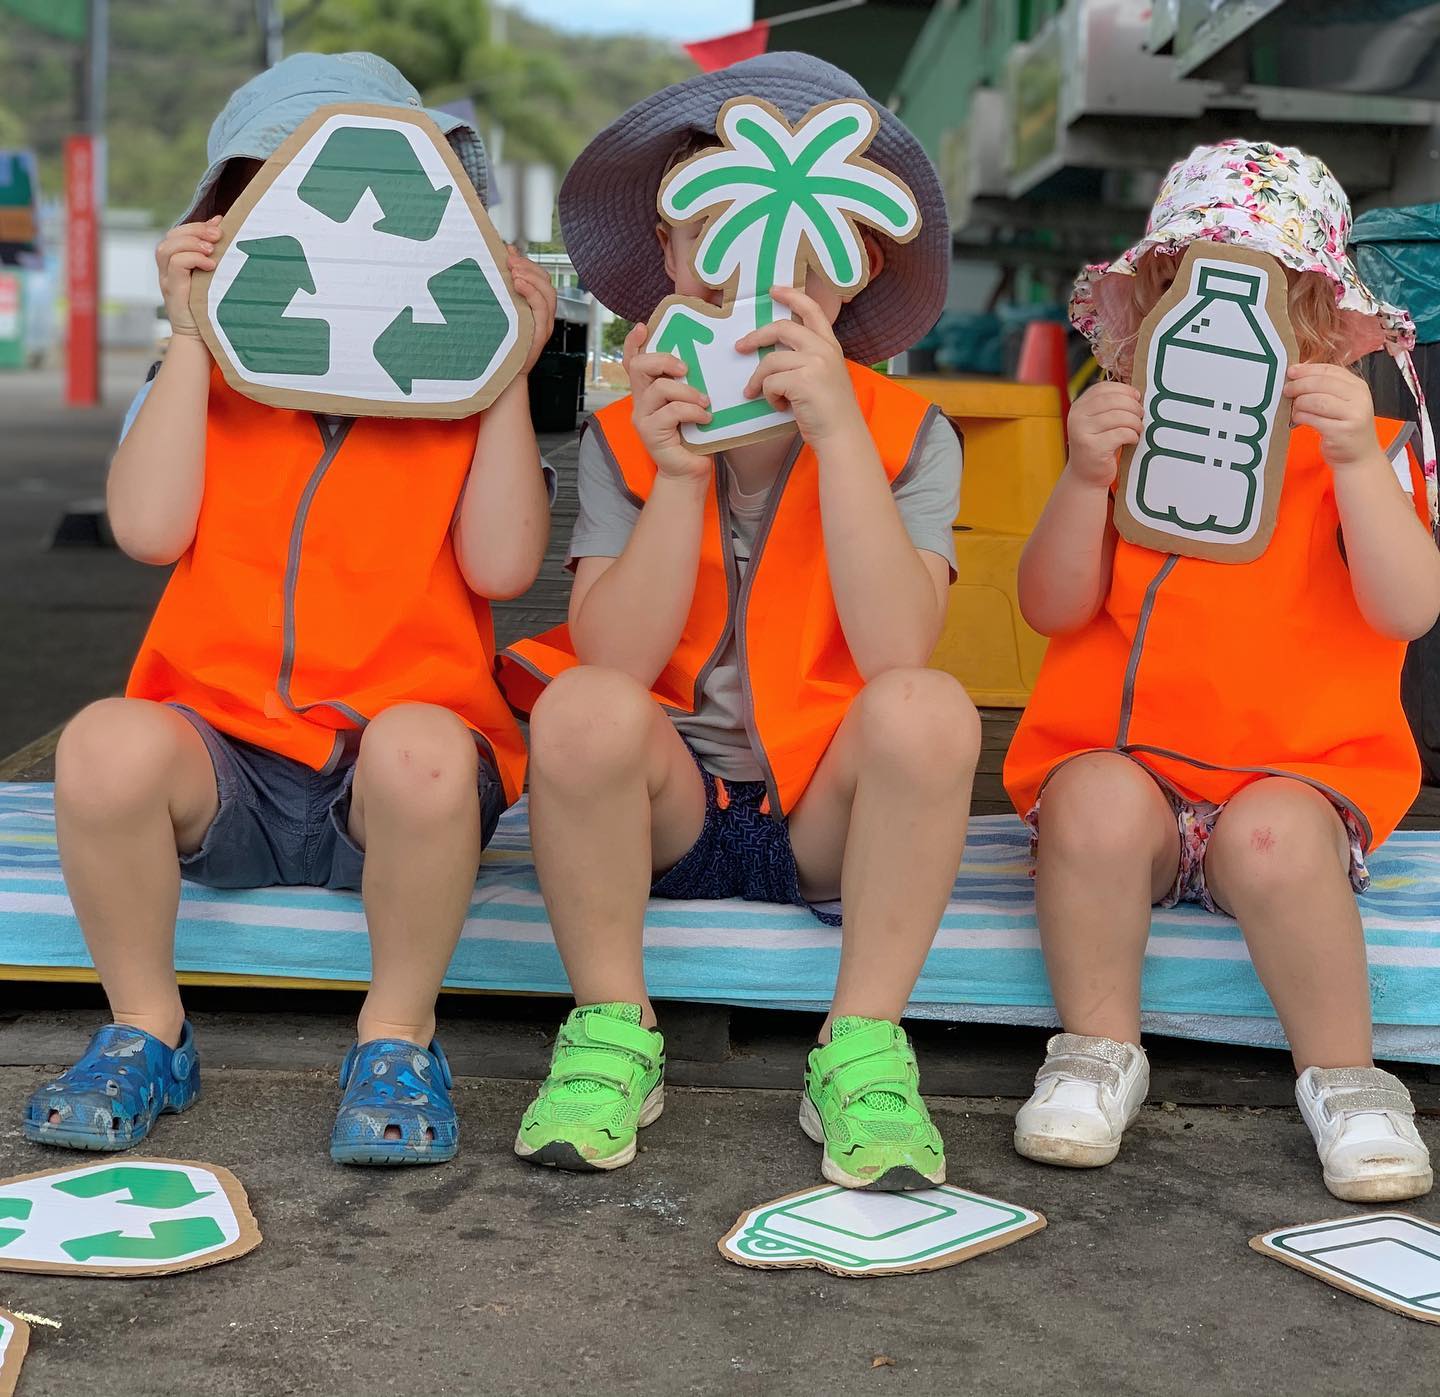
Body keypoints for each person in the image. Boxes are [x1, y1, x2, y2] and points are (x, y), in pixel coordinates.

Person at [23, 53, 556, 1167]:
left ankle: (397, 1035)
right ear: (223, 219)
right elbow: (149, 531)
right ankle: (145, 1027)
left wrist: (504, 371)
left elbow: (505, 566)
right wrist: (183, 339)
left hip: (398, 777)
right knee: (103, 743)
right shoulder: (205, 379)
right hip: (223, 758)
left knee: (420, 748)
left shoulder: (455, 397)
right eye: (286, 191)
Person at [498, 53, 977, 1192]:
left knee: (929, 708)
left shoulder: (910, 434)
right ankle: (613, 1026)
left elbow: (898, 651)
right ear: (666, 255)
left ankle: (860, 1041)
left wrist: (840, 438)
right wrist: (672, 478)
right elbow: (609, 664)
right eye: (711, 241)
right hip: (666, 806)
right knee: (580, 704)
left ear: (853, 269)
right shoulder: (627, 432)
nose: (749, 285)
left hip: (823, 818)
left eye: (796, 255)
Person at [1004, 140, 1439, 1202]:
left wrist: (1348, 466)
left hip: (1296, 779)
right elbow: (1048, 607)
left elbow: (1409, 605)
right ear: (1150, 301)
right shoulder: (1119, 438)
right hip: (1129, 770)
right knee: (1094, 806)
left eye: (1266, 295)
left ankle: (1346, 1074)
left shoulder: (1370, 448)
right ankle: (1096, 1050)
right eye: (1187, 284)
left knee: (1275, 834)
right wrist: (1078, 478)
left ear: (1323, 325)